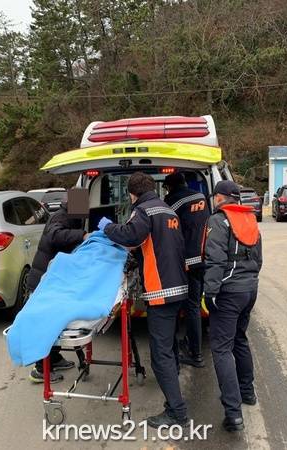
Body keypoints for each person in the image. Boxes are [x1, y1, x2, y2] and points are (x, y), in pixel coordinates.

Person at [99, 172, 189, 428]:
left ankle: (177, 413)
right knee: (170, 345)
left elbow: (131, 236)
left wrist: (107, 227)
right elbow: (157, 245)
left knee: (160, 356)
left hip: (161, 291)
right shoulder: (168, 211)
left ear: (132, 194)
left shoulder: (143, 211)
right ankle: (174, 381)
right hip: (179, 287)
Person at [203, 180, 262, 433]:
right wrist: (249, 280)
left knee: (221, 349)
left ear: (219, 197)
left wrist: (210, 292)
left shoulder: (218, 220)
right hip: (249, 289)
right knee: (240, 339)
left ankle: (233, 412)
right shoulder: (249, 218)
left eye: (214, 196)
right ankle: (247, 392)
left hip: (228, 293)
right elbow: (258, 259)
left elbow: (215, 260)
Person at [27, 201, 87, 384]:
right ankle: (40, 368)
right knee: (46, 326)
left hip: (54, 279)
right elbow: (55, 235)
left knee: (58, 323)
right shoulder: (60, 217)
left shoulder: (74, 217)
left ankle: (54, 358)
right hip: (43, 281)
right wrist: (83, 235)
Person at [163, 172, 210, 368]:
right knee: (195, 305)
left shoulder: (172, 202)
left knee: (189, 307)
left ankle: (195, 354)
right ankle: (191, 342)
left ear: (169, 187)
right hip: (203, 259)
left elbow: (167, 231)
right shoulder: (201, 197)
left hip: (186, 262)